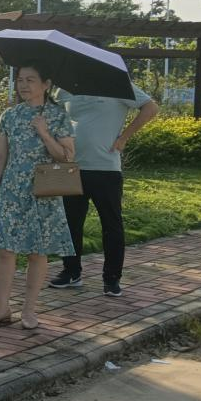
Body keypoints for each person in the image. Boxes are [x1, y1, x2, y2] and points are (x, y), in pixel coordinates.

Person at [50, 57, 159, 297]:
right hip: (71, 166)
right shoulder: (65, 89)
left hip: (106, 167)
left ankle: (111, 278)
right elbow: (57, 117)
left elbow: (150, 107)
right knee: (69, 224)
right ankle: (71, 272)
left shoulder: (117, 84)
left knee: (111, 225)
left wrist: (124, 137)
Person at [0, 63, 76, 330]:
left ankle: (29, 310)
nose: (23, 85)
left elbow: (67, 157)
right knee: (5, 249)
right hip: (12, 190)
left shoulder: (58, 116)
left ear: (46, 84)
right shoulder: (10, 116)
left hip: (44, 191)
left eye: (30, 80)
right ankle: (2, 308)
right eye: (20, 79)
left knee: (37, 251)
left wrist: (44, 133)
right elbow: (0, 157)